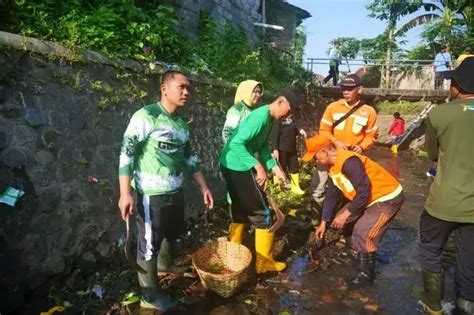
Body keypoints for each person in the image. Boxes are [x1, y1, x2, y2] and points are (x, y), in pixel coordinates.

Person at [118, 70, 214, 311]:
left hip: (175, 190)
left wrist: (203, 187)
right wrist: (125, 193)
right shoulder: (146, 116)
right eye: (181, 87)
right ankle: (149, 295)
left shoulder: (181, 124)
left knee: (172, 233)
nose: (186, 92)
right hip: (151, 194)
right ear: (164, 89)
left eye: (188, 89)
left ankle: (165, 265)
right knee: (149, 241)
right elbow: (126, 154)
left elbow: (190, 158)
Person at [412, 57, 474, 315]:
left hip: (443, 203)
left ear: (457, 85)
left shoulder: (440, 113)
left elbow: (433, 155)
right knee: (469, 260)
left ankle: (433, 302)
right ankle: (465, 305)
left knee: (431, 250)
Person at [303, 135, 403, 289]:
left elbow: (364, 191)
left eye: (315, 157)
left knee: (362, 232)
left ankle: (365, 276)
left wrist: (347, 212)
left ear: (324, 152)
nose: (314, 161)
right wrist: (323, 222)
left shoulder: (349, 161)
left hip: (386, 197)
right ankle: (357, 251)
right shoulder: (332, 167)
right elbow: (331, 196)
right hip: (367, 198)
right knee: (341, 221)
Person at [220, 88, 300, 273]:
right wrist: (258, 167)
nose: (290, 114)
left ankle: (234, 257)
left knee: (240, 210)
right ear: (280, 101)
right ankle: (264, 263)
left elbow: (262, 145)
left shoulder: (269, 118)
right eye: (289, 109)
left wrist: (274, 167)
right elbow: (235, 143)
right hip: (238, 166)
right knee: (262, 214)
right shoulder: (260, 117)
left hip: (230, 164)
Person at [311, 74, 378, 208]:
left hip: (352, 159)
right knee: (318, 188)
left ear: (359, 89)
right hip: (329, 155)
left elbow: (372, 136)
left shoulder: (369, 112)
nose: (345, 92)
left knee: (349, 190)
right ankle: (317, 221)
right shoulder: (333, 107)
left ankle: (343, 220)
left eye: (350, 89)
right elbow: (323, 130)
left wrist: (362, 147)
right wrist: (335, 141)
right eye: (343, 89)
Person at [270, 116, 307, 195]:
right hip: (281, 149)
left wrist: (300, 130)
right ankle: (278, 188)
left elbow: (293, 129)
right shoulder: (278, 120)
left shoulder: (291, 119)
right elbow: (274, 135)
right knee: (281, 168)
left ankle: (295, 187)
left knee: (295, 167)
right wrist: (275, 149)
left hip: (292, 148)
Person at [222, 80, 263, 144]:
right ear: (247, 92)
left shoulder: (256, 110)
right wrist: (235, 150)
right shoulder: (237, 110)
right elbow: (227, 133)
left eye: (259, 92)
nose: (258, 95)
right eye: (255, 92)